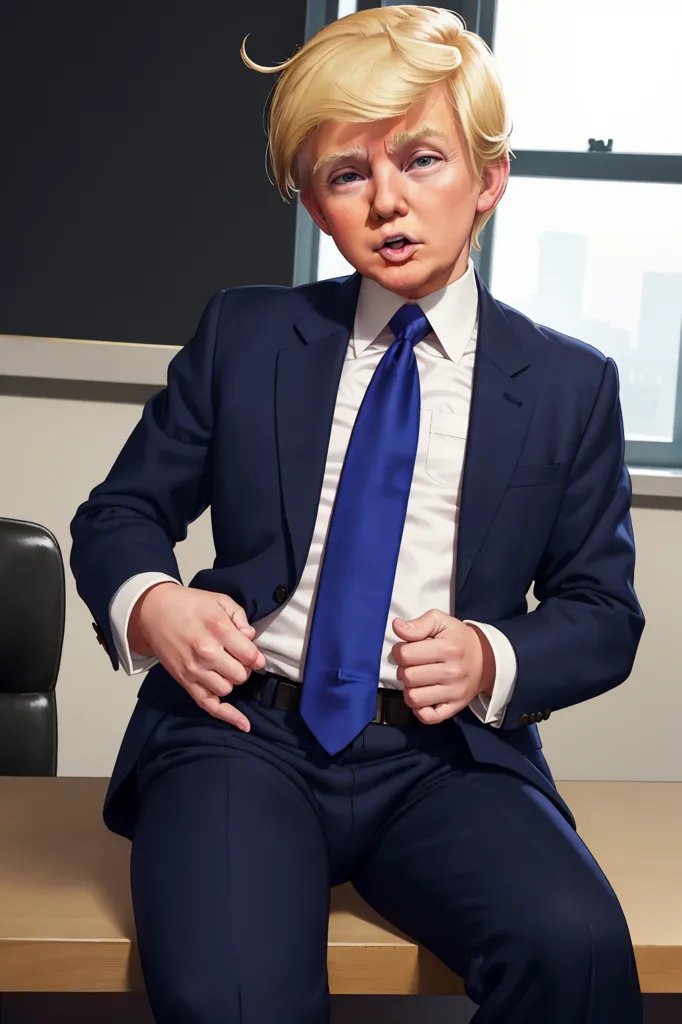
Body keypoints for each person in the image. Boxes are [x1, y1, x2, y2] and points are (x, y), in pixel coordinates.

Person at [70, 6, 645, 1022]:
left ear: (489, 179)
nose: (387, 202)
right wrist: (153, 604)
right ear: (312, 199)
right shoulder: (246, 334)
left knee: (581, 951)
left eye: (422, 160)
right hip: (245, 732)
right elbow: (120, 511)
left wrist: (487, 656)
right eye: (346, 174)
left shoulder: (568, 384)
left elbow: (602, 612)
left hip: (444, 760)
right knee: (235, 997)